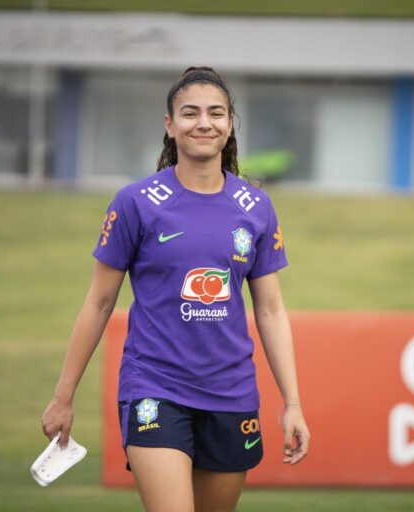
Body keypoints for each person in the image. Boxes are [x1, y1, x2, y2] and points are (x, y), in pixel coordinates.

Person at [41, 67, 309, 512]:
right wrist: (63, 397)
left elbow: (271, 312)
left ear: (230, 123)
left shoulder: (256, 207)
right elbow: (99, 301)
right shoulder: (136, 202)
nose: (204, 122)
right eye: (190, 113)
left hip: (231, 395)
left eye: (216, 113)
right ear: (170, 124)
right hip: (155, 388)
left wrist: (292, 404)